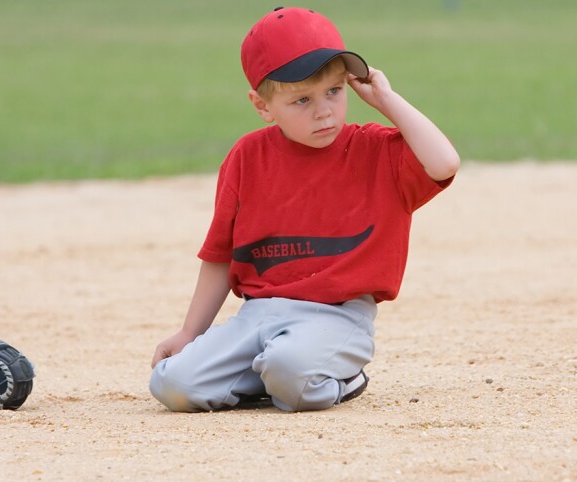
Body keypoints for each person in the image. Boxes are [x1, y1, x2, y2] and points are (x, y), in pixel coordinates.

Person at [149, 7, 460, 412]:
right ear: (263, 106)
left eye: (334, 91)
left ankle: (337, 380)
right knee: (172, 384)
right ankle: (273, 380)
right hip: (256, 316)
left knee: (290, 369)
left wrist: (387, 100)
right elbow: (221, 254)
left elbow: (444, 164)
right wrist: (191, 331)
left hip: (338, 318)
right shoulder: (247, 157)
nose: (323, 110)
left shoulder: (375, 150)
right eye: (302, 99)